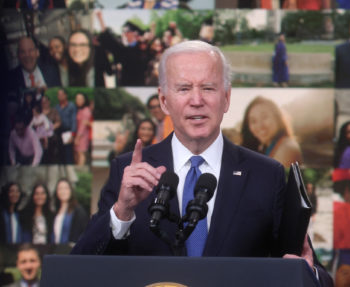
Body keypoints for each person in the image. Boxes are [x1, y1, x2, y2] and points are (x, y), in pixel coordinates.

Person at [71, 40, 332, 286]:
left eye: (208, 88)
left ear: (226, 98)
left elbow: (311, 272)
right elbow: (77, 271)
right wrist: (121, 213)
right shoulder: (128, 171)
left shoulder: (267, 174)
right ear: (164, 100)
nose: (197, 100)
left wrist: (308, 273)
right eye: (184, 88)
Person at [241, 96, 303, 167]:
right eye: (253, 121)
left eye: (264, 117)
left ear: (277, 117)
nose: (260, 126)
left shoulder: (287, 149)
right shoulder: (268, 147)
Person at [53, 178, 88, 244]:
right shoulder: (55, 212)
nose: (63, 191)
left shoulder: (79, 211)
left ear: (71, 191)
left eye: (66, 188)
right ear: (57, 191)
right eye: (60, 188)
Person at [55, 89, 76, 164]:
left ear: (65, 95)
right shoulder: (56, 107)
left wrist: (72, 133)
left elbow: (74, 120)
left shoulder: (71, 106)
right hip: (59, 131)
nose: (60, 96)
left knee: (68, 153)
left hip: (67, 131)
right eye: (58, 95)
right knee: (60, 153)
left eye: (61, 94)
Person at [40, 96, 62, 164]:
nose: (44, 103)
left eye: (46, 101)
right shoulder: (39, 112)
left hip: (51, 136)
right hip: (40, 136)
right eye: (42, 102)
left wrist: (50, 129)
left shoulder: (54, 111)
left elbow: (58, 122)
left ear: (49, 102)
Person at [74, 93, 92, 166]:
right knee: (78, 153)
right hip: (78, 134)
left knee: (81, 153)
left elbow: (82, 127)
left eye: (80, 99)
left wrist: (77, 138)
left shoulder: (86, 111)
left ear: (84, 100)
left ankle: (80, 169)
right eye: (77, 99)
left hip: (83, 135)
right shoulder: (80, 110)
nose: (78, 101)